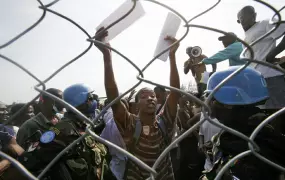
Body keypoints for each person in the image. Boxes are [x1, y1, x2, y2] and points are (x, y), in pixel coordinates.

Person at [94, 27, 180, 180]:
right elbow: (113, 98)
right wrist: (107, 56)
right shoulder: (130, 124)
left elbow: (175, 93)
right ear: (136, 104)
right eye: (144, 96)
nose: (150, 98)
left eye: (153, 96)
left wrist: (172, 56)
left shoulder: (164, 122)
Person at [201, 66, 285, 180]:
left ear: (228, 102)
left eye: (211, 98)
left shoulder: (249, 155)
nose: (207, 103)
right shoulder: (252, 132)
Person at [237, 5, 285, 109]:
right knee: (262, 112)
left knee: (278, 110)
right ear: (238, 21)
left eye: (249, 15)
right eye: (242, 17)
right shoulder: (245, 37)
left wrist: (273, 53)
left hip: (271, 76)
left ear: (255, 15)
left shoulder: (265, 23)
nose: (245, 19)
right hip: (255, 80)